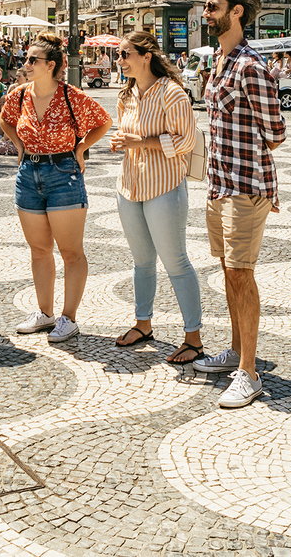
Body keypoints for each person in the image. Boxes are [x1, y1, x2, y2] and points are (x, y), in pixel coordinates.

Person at [192, 0, 285, 409]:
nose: (205, 14)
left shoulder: (250, 66)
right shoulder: (219, 62)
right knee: (228, 271)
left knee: (241, 274)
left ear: (237, 12)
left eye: (212, 7)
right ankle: (234, 350)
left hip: (246, 186)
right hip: (220, 183)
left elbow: (277, 133)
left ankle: (249, 372)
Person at [0, 33, 111, 343]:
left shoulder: (71, 96)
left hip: (64, 172)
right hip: (28, 172)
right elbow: (6, 121)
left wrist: (81, 148)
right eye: (27, 58)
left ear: (50, 65)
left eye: (32, 60)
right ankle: (45, 313)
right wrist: (19, 145)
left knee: (71, 252)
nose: (26, 64)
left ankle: (69, 318)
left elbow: (103, 121)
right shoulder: (19, 95)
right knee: (39, 250)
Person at [109, 31, 204, 364]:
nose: (119, 61)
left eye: (124, 55)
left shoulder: (172, 93)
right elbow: (130, 137)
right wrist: (123, 142)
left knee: (176, 262)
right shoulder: (127, 95)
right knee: (141, 262)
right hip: (130, 186)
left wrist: (140, 142)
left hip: (164, 187)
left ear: (146, 55)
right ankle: (143, 324)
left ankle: (193, 337)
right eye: (119, 55)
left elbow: (185, 142)